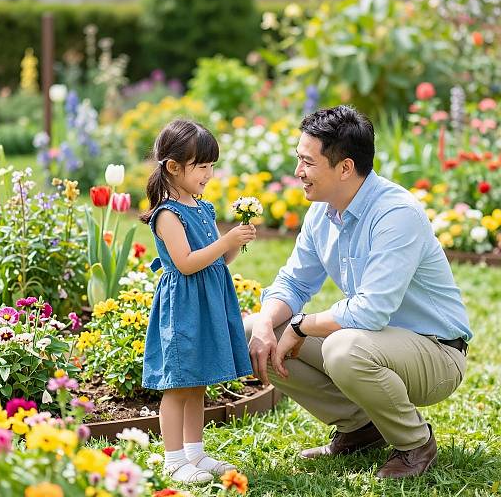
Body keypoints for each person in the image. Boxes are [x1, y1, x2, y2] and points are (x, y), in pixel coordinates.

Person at [246, 106, 472, 479]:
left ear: (345, 168)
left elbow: (370, 312)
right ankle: (360, 429)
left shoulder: (396, 214)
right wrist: (269, 322)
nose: (298, 172)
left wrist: (301, 325)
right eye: (298, 160)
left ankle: (415, 444)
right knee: (253, 330)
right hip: (375, 343)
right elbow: (294, 281)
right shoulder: (322, 212)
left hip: (437, 353)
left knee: (342, 348)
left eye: (307, 162)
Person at [140, 119, 255, 484]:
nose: (209, 173)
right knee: (179, 384)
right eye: (202, 166)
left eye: (211, 165)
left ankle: (195, 452)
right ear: (174, 167)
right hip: (184, 307)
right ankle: (173, 459)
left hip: (207, 302)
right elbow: (186, 263)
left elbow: (218, 260)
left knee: (199, 380)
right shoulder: (168, 214)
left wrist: (233, 244)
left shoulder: (202, 207)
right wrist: (224, 242)